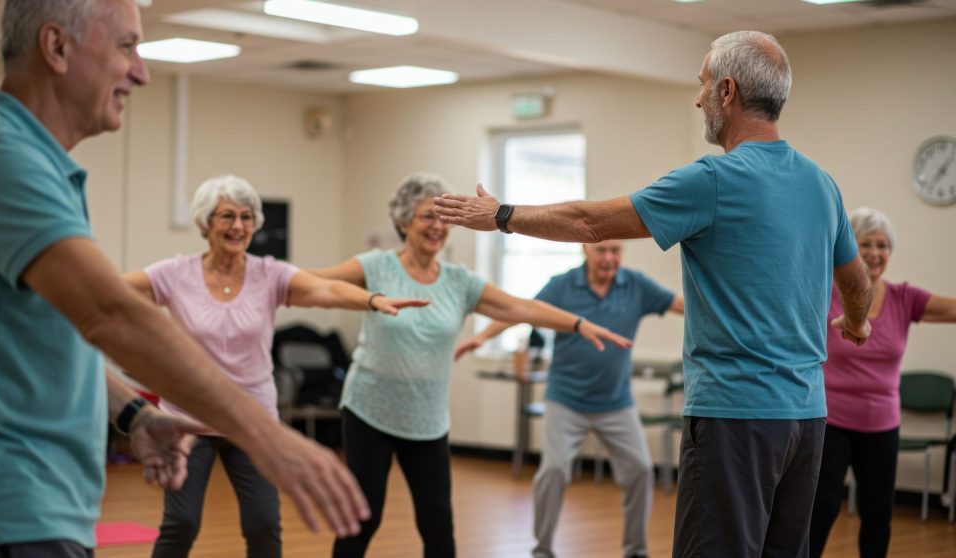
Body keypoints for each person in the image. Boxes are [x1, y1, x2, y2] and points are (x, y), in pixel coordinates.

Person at [0, 1, 367, 556]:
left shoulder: (29, 161)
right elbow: (111, 314)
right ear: (56, 47)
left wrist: (133, 412)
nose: (141, 72)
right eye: (126, 46)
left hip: (34, 507)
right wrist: (266, 435)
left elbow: (48, 340)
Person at [433, 30, 873, 558]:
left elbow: (590, 222)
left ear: (728, 91)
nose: (698, 99)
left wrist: (502, 215)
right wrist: (856, 322)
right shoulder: (821, 184)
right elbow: (857, 282)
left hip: (735, 416)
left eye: (703, 84)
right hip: (807, 419)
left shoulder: (713, 179)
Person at [310, 173, 632, 558]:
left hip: (427, 419)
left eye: (444, 218)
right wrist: (263, 277)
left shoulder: (459, 282)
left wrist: (578, 324)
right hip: (369, 411)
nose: (437, 226)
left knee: (438, 526)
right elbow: (314, 284)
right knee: (363, 519)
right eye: (427, 216)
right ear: (403, 222)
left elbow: (521, 308)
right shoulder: (375, 266)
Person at [122, 175, 425, 558]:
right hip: (188, 420)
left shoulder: (270, 273)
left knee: (263, 522)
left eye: (247, 217)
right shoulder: (175, 273)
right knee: (181, 523)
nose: (238, 226)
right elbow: (111, 291)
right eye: (227, 216)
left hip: (253, 419)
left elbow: (325, 289)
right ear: (204, 222)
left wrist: (372, 300)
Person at [454, 239, 684, 558]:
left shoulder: (636, 285)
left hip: (616, 403)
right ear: (584, 249)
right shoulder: (562, 285)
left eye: (615, 250)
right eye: (601, 250)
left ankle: (636, 550)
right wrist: (481, 337)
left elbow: (682, 305)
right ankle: (543, 549)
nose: (609, 257)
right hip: (566, 400)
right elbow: (520, 311)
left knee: (641, 470)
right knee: (555, 469)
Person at [809, 207, 956, 558]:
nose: (875, 253)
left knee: (878, 514)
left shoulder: (904, 298)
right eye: (865, 244)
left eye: (882, 245)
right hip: (830, 422)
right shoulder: (824, 291)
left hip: (882, 425)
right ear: (849, 248)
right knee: (822, 508)